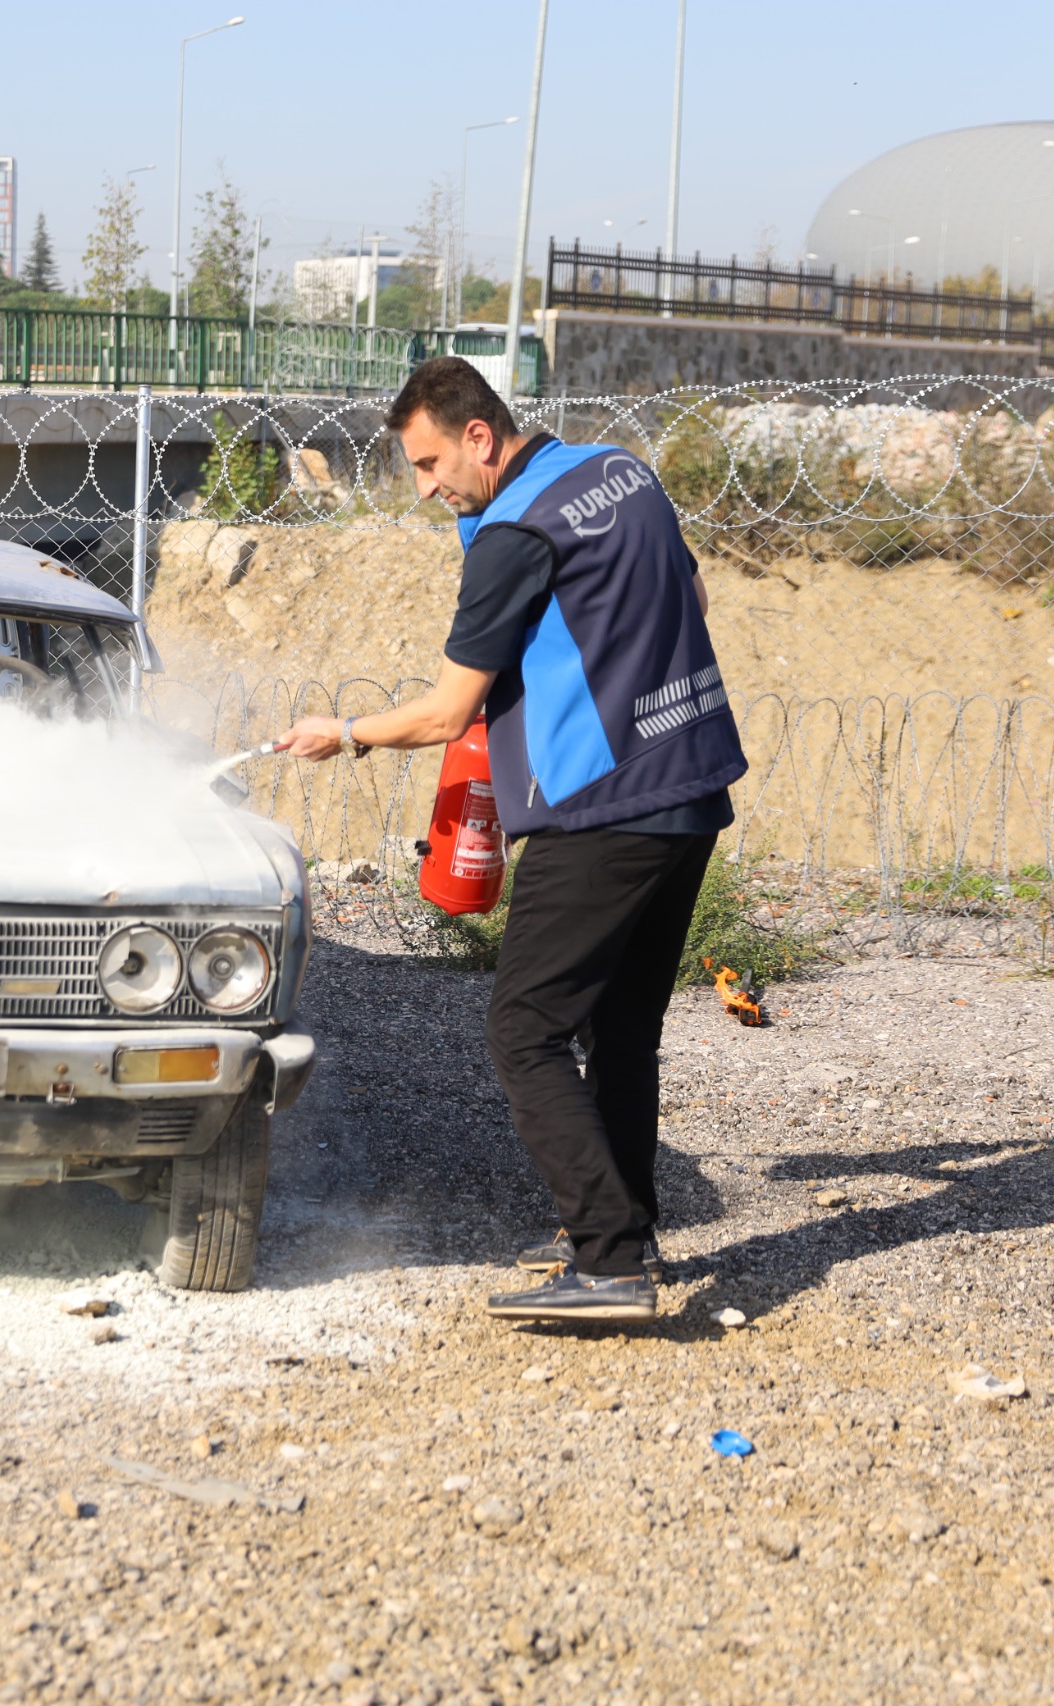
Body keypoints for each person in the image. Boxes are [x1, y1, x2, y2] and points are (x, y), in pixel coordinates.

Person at [276, 357, 746, 1324]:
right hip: (691, 784)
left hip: (601, 806)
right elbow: (693, 603)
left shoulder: (513, 533)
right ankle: (626, 1232)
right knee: (621, 1029)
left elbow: (448, 712)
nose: (425, 488)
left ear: (479, 437)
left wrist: (345, 732)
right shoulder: (620, 470)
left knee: (523, 1030)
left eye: (428, 463)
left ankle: (609, 1263)